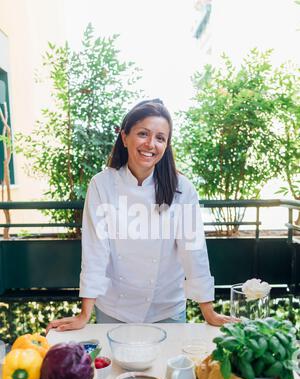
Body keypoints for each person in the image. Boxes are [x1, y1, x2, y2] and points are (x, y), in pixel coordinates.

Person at [46, 99, 237, 333]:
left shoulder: (182, 189)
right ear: (125, 137)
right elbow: (95, 250)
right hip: (115, 309)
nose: (151, 144)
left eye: (160, 138)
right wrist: (85, 314)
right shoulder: (102, 184)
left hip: (167, 309)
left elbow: (193, 251)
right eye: (143, 134)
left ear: (166, 145)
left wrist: (208, 311)